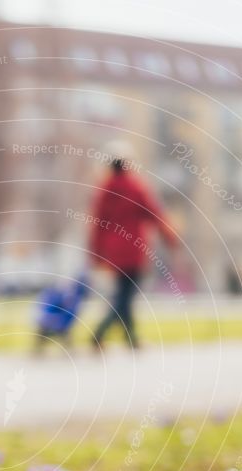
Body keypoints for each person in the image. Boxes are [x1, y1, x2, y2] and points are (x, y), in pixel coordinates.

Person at [88, 141, 177, 350]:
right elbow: (155, 214)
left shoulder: (104, 190)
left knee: (123, 293)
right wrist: (170, 237)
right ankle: (99, 333)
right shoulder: (137, 187)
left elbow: (97, 225)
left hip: (113, 251)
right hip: (134, 249)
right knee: (125, 296)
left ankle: (131, 339)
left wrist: (96, 254)